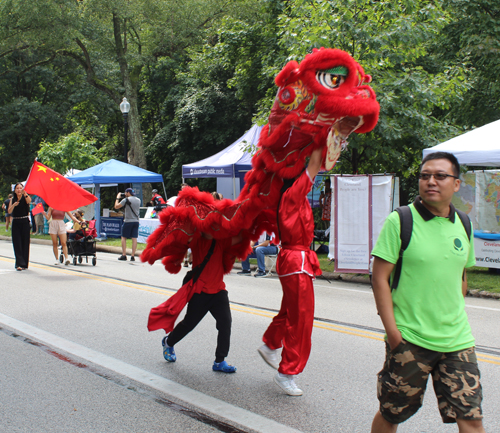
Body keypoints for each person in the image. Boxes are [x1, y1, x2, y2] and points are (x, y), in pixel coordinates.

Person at [369, 151, 485, 433]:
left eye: (440, 176)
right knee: (391, 413)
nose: (431, 181)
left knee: (471, 419)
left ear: (456, 184)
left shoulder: (464, 224)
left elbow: (461, 276)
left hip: (457, 341)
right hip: (410, 340)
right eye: (425, 176)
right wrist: (395, 336)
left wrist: (451, 310)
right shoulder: (401, 220)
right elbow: (379, 278)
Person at [257, 147, 324, 396]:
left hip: (296, 259)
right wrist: (321, 138)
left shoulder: (291, 196)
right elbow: (315, 165)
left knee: (291, 311)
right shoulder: (293, 194)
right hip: (296, 261)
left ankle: (271, 344)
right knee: (301, 319)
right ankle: (287, 372)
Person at [155, 232, 242, 373]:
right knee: (188, 324)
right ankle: (168, 342)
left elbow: (240, 237)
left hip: (219, 291)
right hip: (200, 292)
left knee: (225, 323)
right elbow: (180, 238)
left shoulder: (221, 240)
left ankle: (219, 361)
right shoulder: (196, 240)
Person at [8, 184, 31, 270]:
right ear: (14, 190)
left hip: (24, 221)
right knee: (17, 242)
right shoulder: (12, 199)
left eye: (20, 188)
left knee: (25, 242)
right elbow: (9, 211)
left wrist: (25, 194)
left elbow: (29, 201)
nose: (19, 190)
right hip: (16, 222)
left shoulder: (25, 197)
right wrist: (14, 205)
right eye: (17, 188)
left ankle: (24, 263)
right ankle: (18, 263)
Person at [115, 188, 141, 261]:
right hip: (136, 221)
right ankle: (132, 256)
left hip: (128, 221)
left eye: (125, 193)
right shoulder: (138, 200)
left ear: (128, 193)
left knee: (124, 237)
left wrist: (117, 198)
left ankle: (124, 254)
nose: (125, 194)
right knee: (134, 238)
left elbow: (116, 206)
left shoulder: (126, 200)